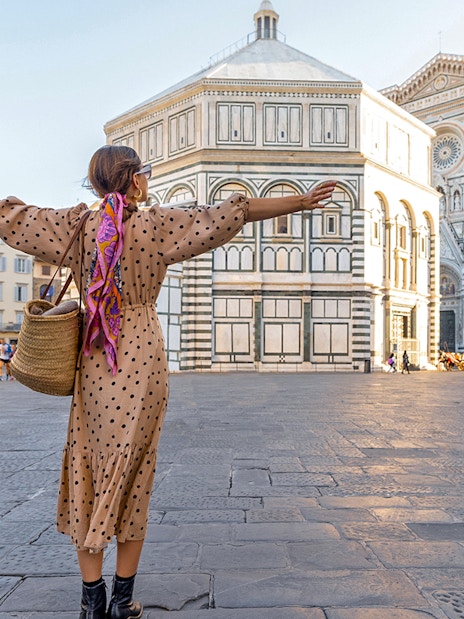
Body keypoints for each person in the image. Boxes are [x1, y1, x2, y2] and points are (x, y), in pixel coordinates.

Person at [0, 145, 336, 618]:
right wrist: (298, 202)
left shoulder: (75, 226)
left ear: (97, 185)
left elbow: (13, 217)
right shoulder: (158, 225)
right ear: (135, 180)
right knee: (135, 474)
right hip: (142, 356)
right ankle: (122, 600)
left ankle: (91, 601)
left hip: (96, 360)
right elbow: (230, 213)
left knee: (90, 470)